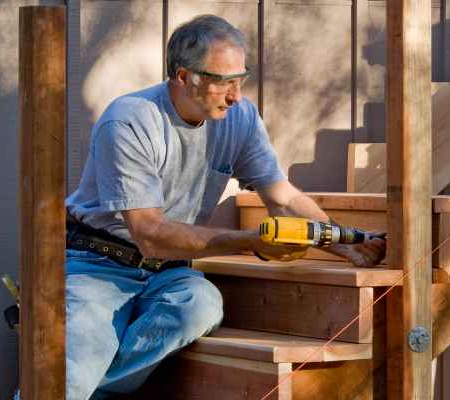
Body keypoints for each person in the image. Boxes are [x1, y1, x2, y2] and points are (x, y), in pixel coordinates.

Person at [60, 14, 386, 400]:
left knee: (200, 306)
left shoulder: (239, 117)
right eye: (223, 82)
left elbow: (282, 196)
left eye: (240, 79)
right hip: (97, 266)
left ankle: (96, 392)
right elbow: (149, 233)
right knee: (69, 371)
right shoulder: (131, 120)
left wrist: (339, 241)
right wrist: (252, 242)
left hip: (169, 272)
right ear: (184, 77)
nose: (235, 94)